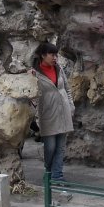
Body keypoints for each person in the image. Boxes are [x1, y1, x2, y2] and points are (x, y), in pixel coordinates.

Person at [30, 42, 75, 184]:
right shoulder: (35, 73)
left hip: (63, 111)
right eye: (52, 54)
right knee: (50, 147)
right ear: (43, 55)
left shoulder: (58, 68)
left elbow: (67, 88)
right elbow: (32, 95)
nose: (55, 57)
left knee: (61, 147)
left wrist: (71, 105)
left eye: (56, 55)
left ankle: (57, 175)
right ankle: (48, 171)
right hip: (47, 114)